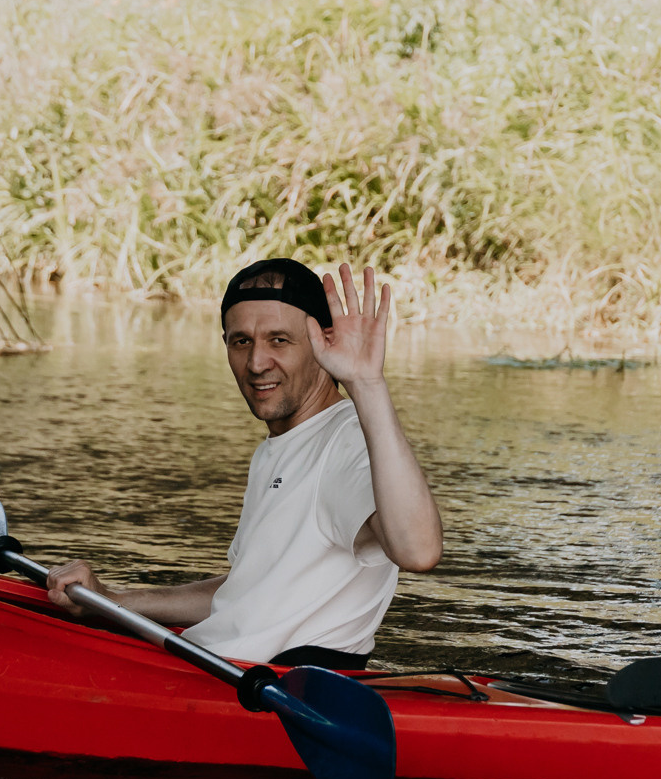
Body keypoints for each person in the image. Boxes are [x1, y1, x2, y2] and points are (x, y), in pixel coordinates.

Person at [45, 258, 442, 670]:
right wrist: (111, 600)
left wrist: (367, 384)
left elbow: (418, 551)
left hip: (276, 693)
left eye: (279, 340)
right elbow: (246, 593)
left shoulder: (350, 441)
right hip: (218, 669)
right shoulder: (283, 444)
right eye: (241, 341)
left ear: (324, 344)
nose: (256, 363)